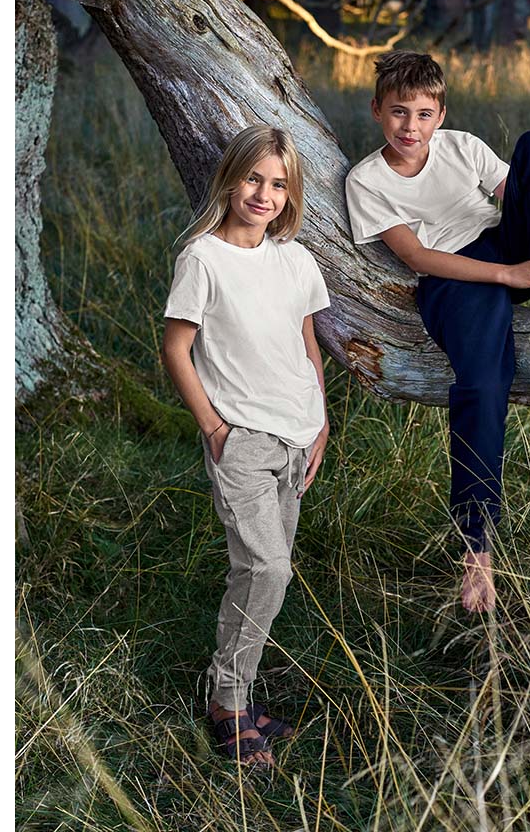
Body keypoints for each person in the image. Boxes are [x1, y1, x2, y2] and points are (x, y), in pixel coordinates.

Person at [344, 50, 530, 613]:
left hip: (507, 246)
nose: (410, 127)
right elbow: (417, 256)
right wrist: (507, 275)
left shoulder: (462, 147)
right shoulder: (367, 180)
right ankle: (477, 548)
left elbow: (529, 202)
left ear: (441, 114)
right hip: (453, 278)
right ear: (377, 109)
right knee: (482, 384)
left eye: (423, 114)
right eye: (398, 112)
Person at [162, 125, 330, 768]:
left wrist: (320, 420)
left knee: (263, 574)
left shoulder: (295, 259)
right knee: (267, 569)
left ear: (290, 195)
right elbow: (176, 348)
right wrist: (214, 429)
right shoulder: (203, 259)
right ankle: (229, 703)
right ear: (230, 180)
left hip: (297, 436)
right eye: (254, 179)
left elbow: (307, 341)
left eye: (278, 184)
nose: (264, 194)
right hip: (242, 441)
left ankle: (238, 691)